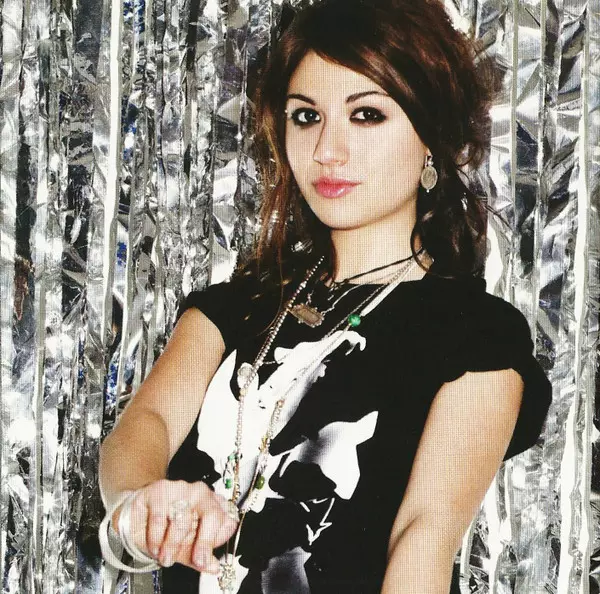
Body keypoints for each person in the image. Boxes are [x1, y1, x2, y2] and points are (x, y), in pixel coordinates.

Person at [98, 0, 552, 592]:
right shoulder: (234, 308)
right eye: (307, 116)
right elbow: (145, 424)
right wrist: (142, 505)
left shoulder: (475, 336)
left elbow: (423, 539)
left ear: (432, 138)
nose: (327, 151)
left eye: (366, 115)